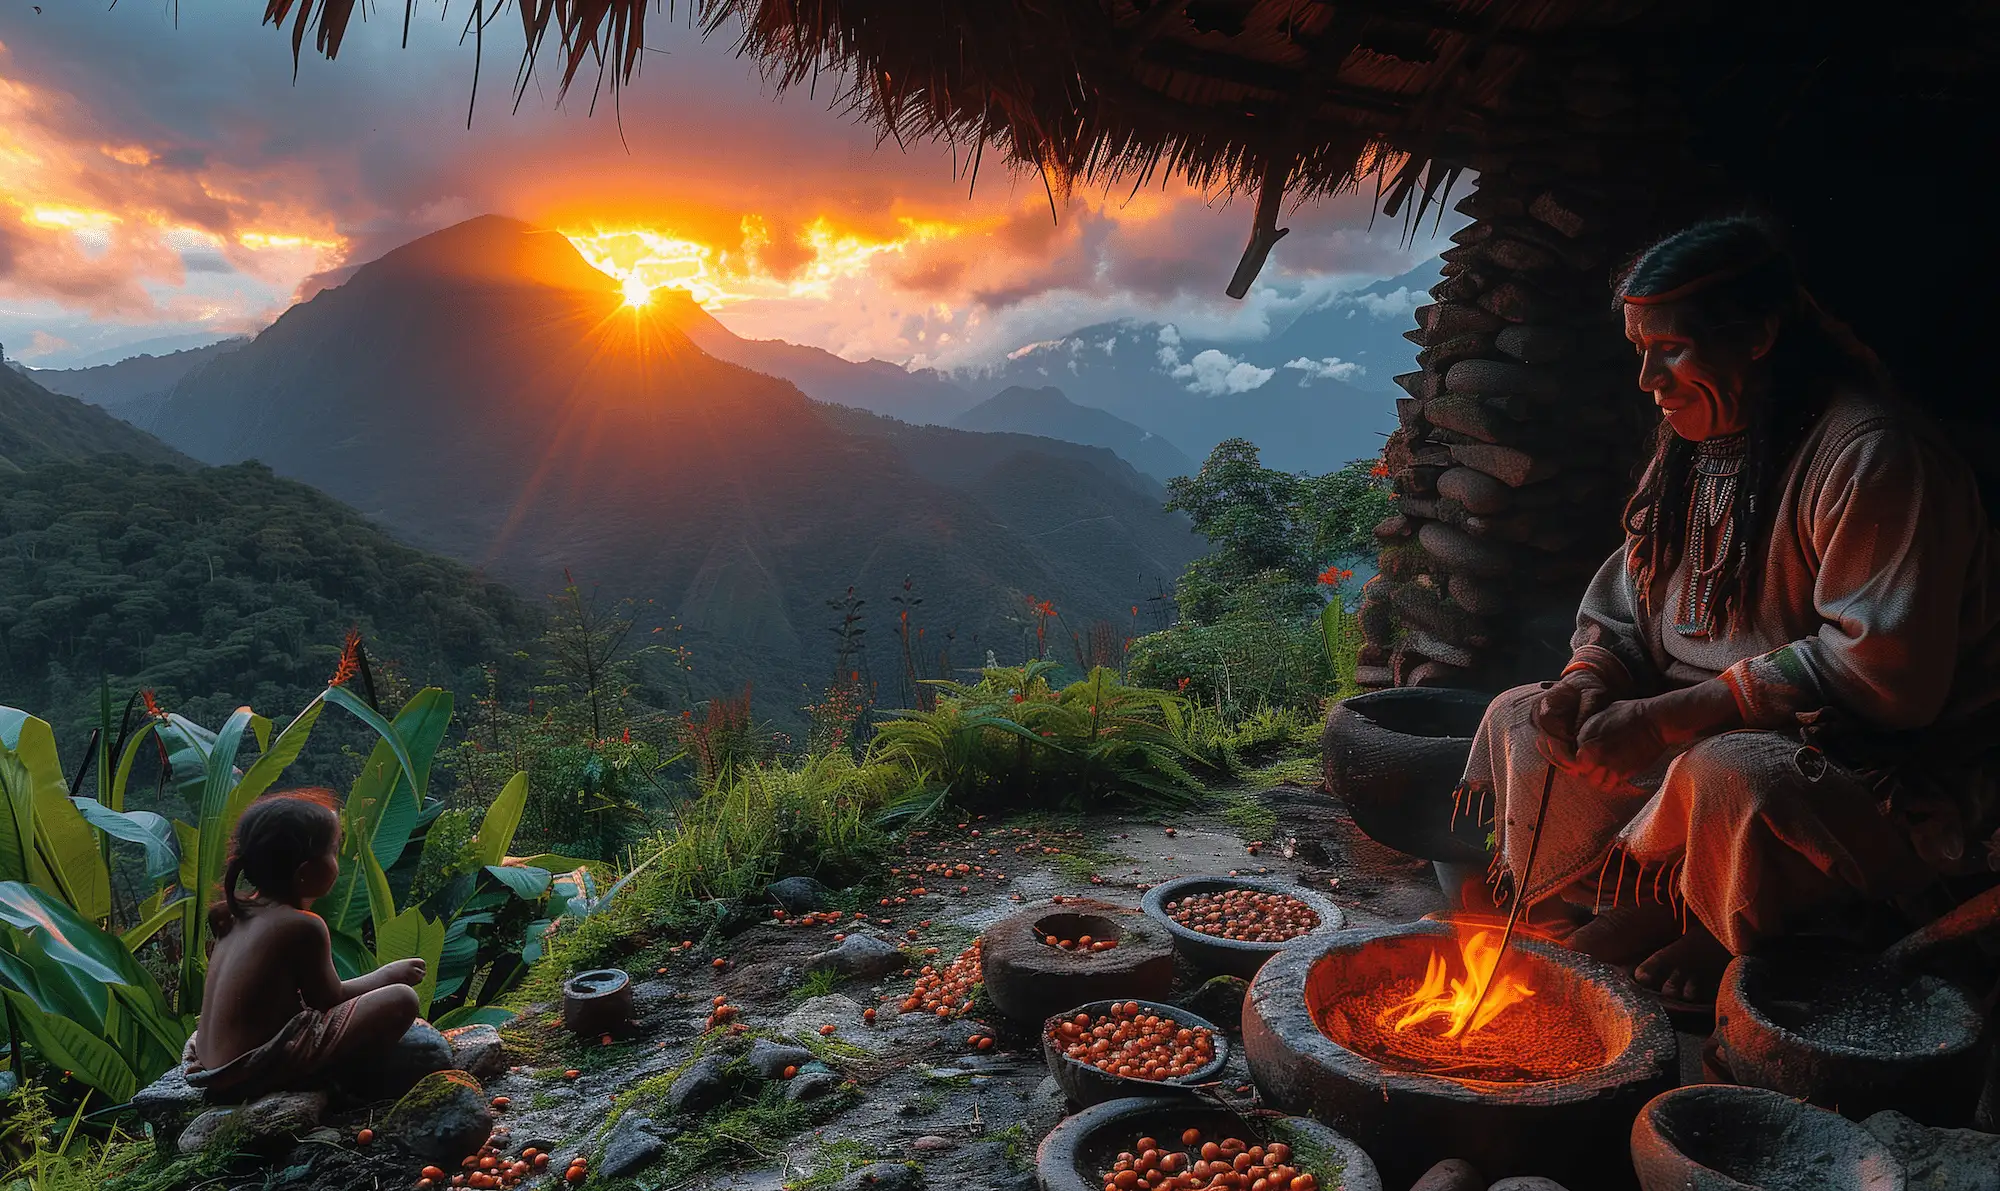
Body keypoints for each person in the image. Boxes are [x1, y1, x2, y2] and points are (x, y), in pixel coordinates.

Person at [1458, 216, 2000, 1007]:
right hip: (1692, 736)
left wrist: (1679, 715)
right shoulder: (1693, 446)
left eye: (1670, 349)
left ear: (1757, 336)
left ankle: (1727, 927)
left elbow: (1887, 674)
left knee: (1731, 771)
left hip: (1862, 762)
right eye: (1639, 349)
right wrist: (1589, 677)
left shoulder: (1872, 455)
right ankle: (1638, 897)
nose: (1648, 377)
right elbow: (1625, 605)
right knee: (1523, 716)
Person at [187, 789, 425, 1100]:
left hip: (207, 1063)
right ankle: (338, 1088)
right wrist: (389, 974)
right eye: (334, 851)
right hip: (251, 1068)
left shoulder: (234, 914)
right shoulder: (302, 925)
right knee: (402, 999)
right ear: (305, 872)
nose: (339, 861)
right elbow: (328, 999)